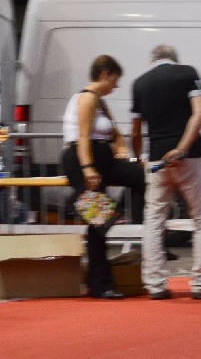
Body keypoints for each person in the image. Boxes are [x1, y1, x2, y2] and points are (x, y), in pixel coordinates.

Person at [131, 44, 201, 300]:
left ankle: (155, 285)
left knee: (154, 220)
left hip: (156, 161)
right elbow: (199, 113)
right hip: (189, 157)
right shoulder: (188, 74)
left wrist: (140, 158)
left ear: (153, 60)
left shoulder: (139, 83)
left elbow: (135, 129)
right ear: (175, 59)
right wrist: (182, 148)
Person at [61, 55, 145, 300]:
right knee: (99, 222)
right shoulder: (86, 98)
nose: (116, 87)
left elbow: (115, 133)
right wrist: (88, 168)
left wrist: (122, 151)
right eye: (115, 80)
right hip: (80, 157)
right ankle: (101, 284)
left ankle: (143, 228)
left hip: (103, 157)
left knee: (143, 178)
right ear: (105, 74)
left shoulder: (100, 102)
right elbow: (83, 137)